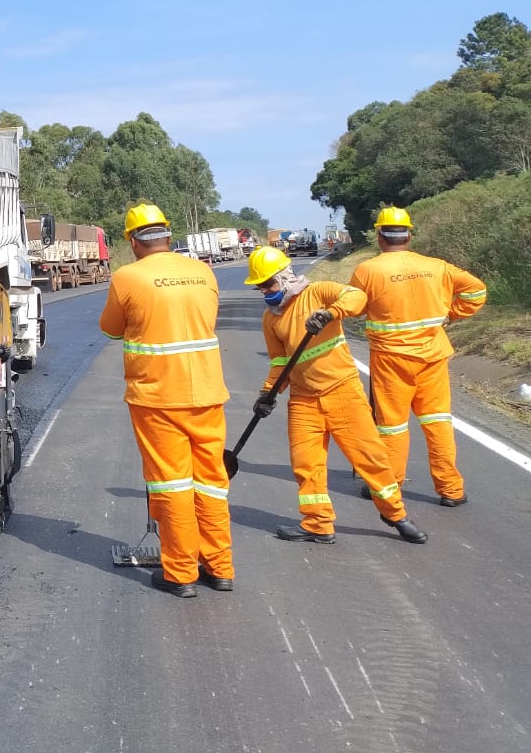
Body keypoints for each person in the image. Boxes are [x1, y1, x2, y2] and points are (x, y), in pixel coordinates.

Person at [243, 246, 427, 546]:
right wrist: (268, 393)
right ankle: (317, 523)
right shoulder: (271, 318)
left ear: (285, 278)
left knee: (370, 459)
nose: (264, 291)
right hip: (303, 401)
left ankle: (396, 515)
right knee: (306, 464)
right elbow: (280, 362)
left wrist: (329, 313)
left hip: (342, 391)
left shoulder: (319, 293)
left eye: (268, 284)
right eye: (260, 287)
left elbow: (357, 297)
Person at [99, 203, 233, 599]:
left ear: (132, 241)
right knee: (211, 482)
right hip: (208, 393)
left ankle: (180, 573)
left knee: (172, 484)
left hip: (157, 398)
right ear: (167, 236)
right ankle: (220, 567)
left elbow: (111, 329)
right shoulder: (202, 271)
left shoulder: (128, 277)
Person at [349, 206, 487, 506]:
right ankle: (451, 490)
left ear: (379, 236)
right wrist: (451, 314)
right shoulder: (437, 267)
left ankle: (389, 487)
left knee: (392, 426)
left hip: (391, 359)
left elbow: (353, 307)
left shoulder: (368, 270)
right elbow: (476, 291)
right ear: (409, 234)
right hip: (433, 355)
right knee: (437, 420)